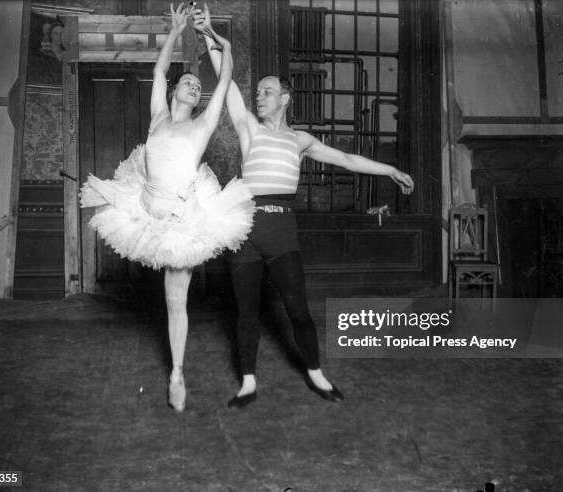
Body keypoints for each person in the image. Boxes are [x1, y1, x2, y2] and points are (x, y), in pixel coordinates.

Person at [194, 5, 414, 408]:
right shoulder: (249, 129)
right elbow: (227, 82)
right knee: (246, 312)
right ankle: (247, 382)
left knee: (298, 308)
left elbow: (348, 160)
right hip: (245, 228)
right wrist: (207, 32)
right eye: (257, 92)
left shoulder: (300, 140)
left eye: (267, 91)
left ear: (286, 98)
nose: (259, 96)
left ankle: (316, 373)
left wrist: (389, 169)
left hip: (282, 234)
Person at [80, 3, 255, 413]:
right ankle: (175, 369)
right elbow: (159, 72)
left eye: (198, 86)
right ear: (176, 90)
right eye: (189, 82)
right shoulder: (158, 116)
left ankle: (177, 372)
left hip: (180, 222)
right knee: (162, 292)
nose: (194, 87)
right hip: (142, 209)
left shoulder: (202, 124)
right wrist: (175, 33)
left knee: (175, 300)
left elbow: (226, 76)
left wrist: (217, 38)